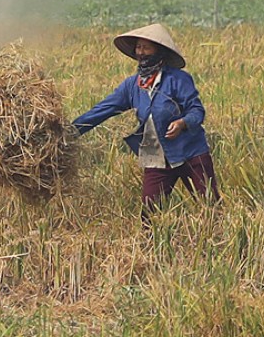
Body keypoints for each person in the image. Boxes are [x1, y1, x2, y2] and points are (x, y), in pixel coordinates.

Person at [72, 23, 220, 222]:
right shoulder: (132, 86)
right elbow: (102, 110)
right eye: (138, 48)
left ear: (159, 52)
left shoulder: (178, 80)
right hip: (156, 156)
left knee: (209, 205)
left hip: (190, 152)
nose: (140, 53)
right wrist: (71, 131)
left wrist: (182, 123)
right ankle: (150, 246)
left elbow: (197, 110)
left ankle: (217, 238)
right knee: (149, 214)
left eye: (146, 48)